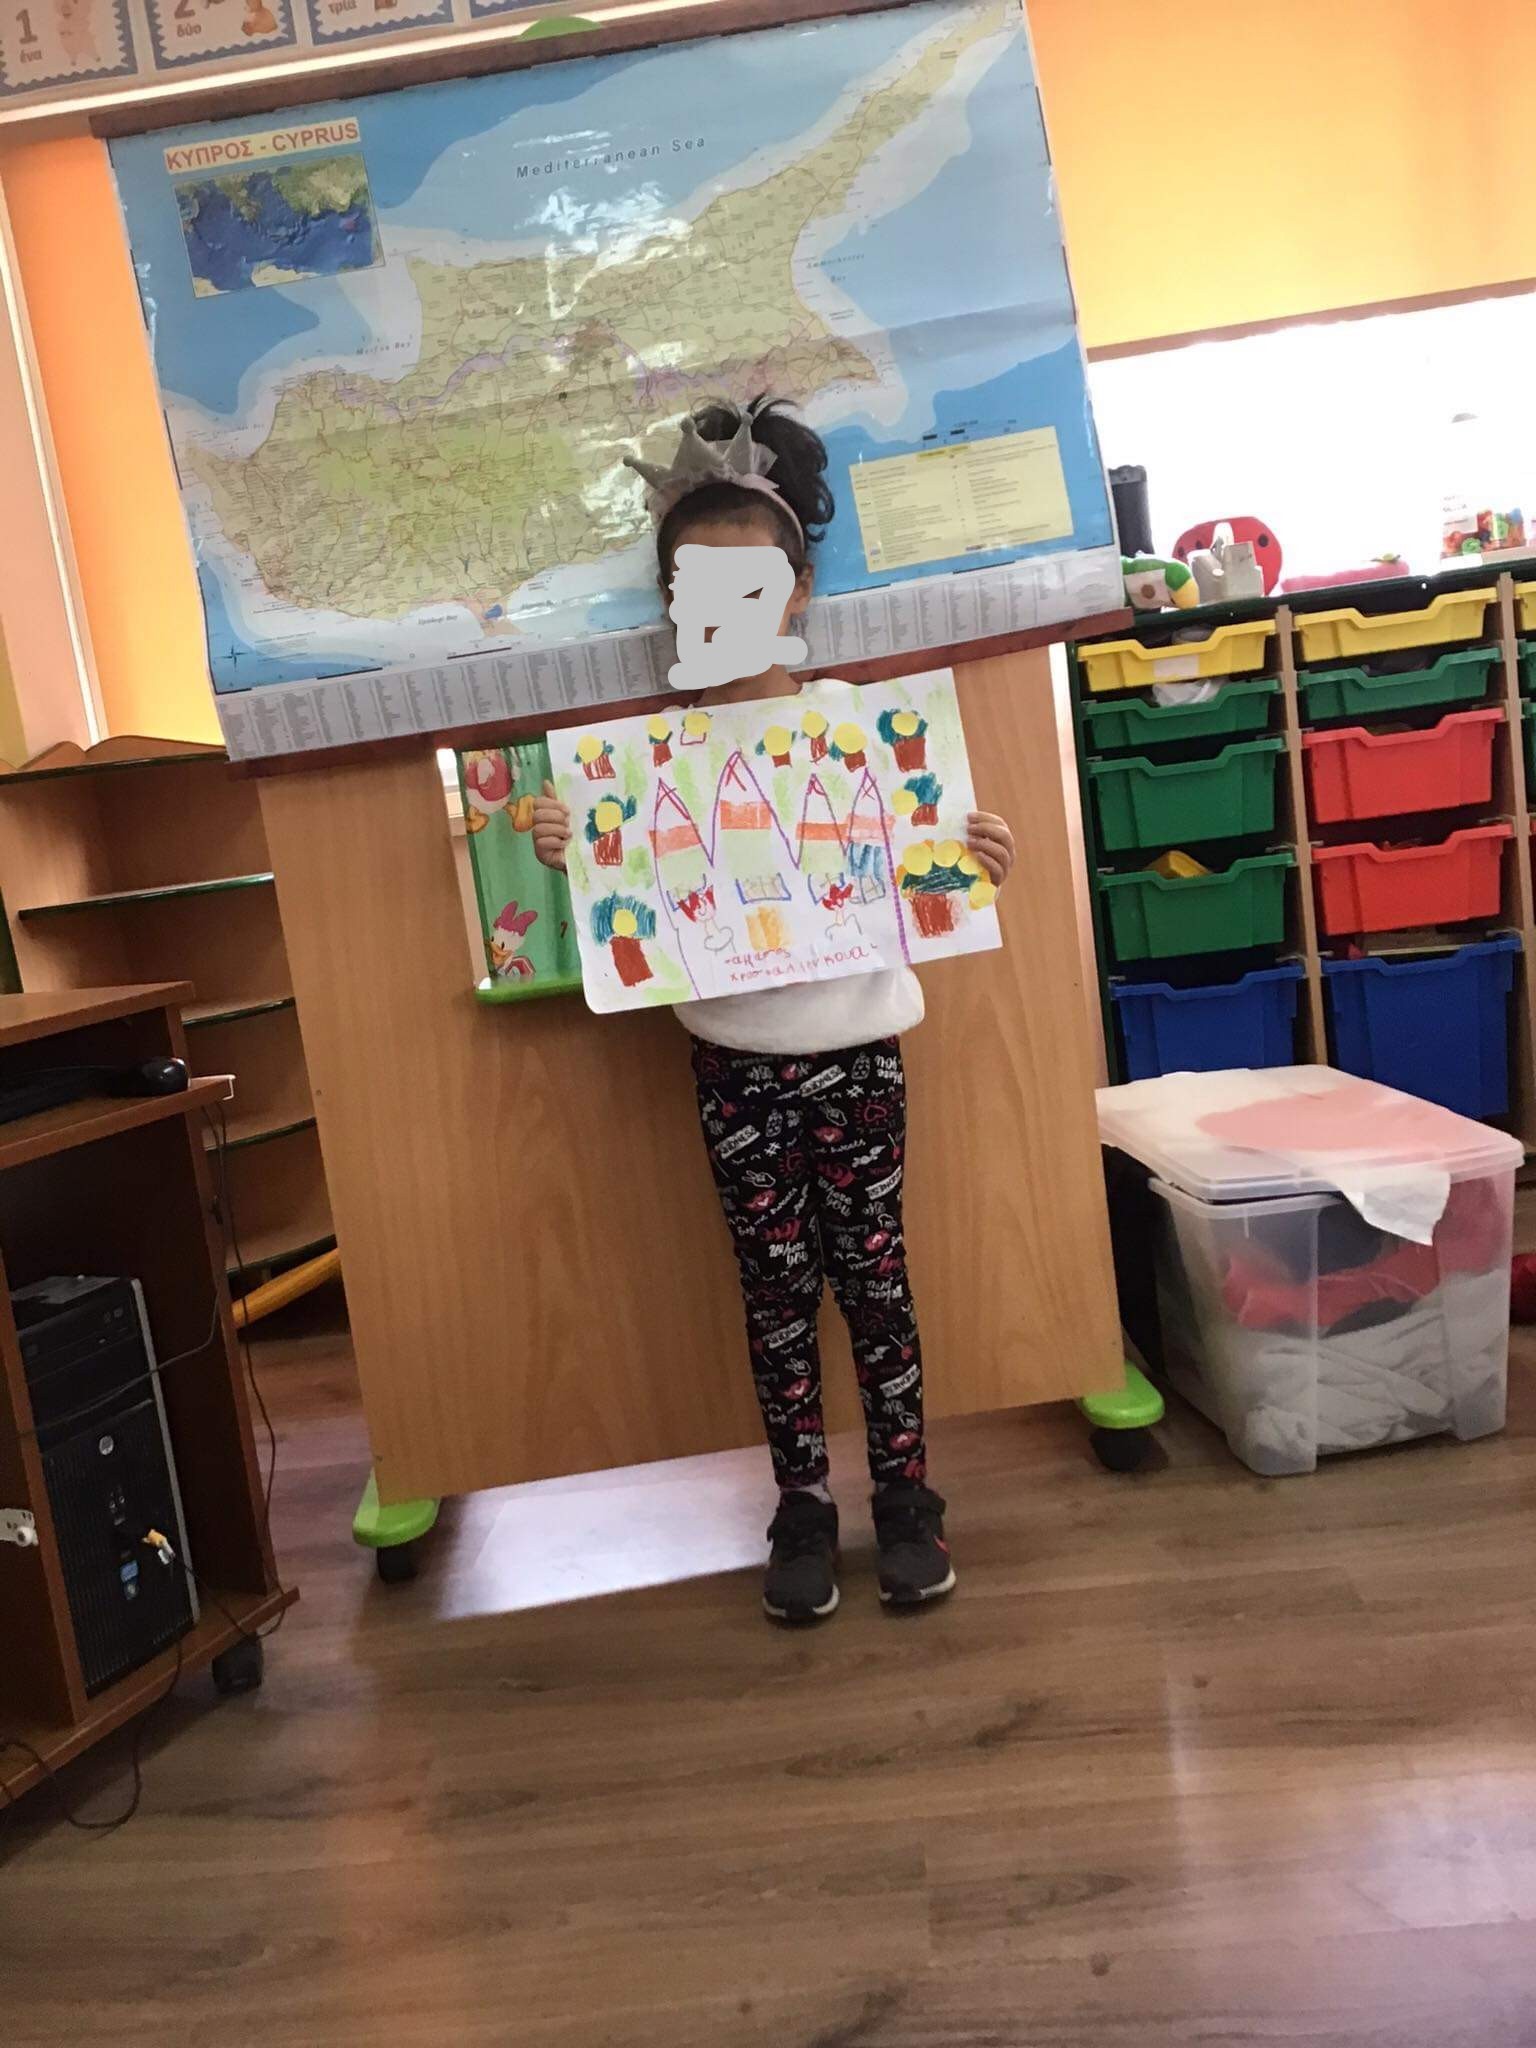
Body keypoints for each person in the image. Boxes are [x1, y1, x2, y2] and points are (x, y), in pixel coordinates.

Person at [533, 398, 1015, 1625]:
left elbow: (930, 866)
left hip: (859, 1056)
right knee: (776, 1296)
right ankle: (802, 1505)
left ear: (796, 592)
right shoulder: (653, 751)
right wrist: (572, 843)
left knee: (877, 1283)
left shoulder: (862, 724)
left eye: (752, 586)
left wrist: (977, 859)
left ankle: (905, 1497)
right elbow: (627, 884)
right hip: (736, 1065)